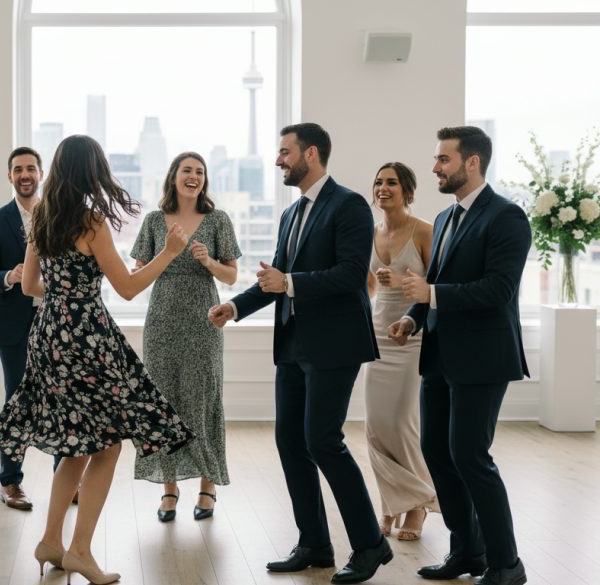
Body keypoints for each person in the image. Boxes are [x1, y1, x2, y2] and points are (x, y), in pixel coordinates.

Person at [0, 135, 195, 585]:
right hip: (86, 339)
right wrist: (169, 254)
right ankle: (78, 550)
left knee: (76, 447)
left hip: (47, 337)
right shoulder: (90, 222)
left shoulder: (40, 217)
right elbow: (128, 288)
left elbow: (29, 287)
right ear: (90, 171)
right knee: (108, 443)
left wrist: (63, 297)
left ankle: (51, 542)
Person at [209, 122, 391, 585]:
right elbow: (277, 277)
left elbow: (352, 275)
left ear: (311, 154)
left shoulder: (349, 205)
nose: (278, 161)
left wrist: (289, 283)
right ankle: (314, 542)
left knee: (323, 442)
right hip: (293, 344)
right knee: (290, 442)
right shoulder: (292, 214)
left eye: (284, 152)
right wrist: (235, 305)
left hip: (335, 345)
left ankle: (370, 545)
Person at [389, 126, 530, 585]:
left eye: (443, 160)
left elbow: (499, 289)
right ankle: (467, 551)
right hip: (440, 355)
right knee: (437, 452)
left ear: (473, 162)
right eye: (436, 159)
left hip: (484, 356)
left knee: (471, 455)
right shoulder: (447, 218)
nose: (434, 168)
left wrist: (430, 295)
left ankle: (506, 563)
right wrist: (412, 316)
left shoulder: (507, 217)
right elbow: (434, 284)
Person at [131, 152, 240, 522]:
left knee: (203, 398)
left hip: (204, 319)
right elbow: (138, 272)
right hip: (161, 320)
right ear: (173, 177)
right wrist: (167, 253)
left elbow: (231, 277)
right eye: (187, 171)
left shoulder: (218, 220)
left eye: (200, 172)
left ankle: (208, 486)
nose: (193, 176)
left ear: (204, 179)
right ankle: (169, 489)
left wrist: (208, 262)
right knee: (164, 402)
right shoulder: (152, 221)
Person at [0, 146, 62, 510]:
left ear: (41, 174)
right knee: (17, 402)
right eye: (17, 169)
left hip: (57, 323)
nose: (25, 174)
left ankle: (65, 480)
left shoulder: (61, 217)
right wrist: (9, 277)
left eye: (30, 168)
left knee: (62, 401)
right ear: (9, 176)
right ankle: (10, 483)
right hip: (13, 327)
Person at [363, 161, 438, 542]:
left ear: (407, 190)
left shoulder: (424, 231)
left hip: (412, 338)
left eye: (391, 182)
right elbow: (369, 291)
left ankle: (418, 504)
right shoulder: (371, 233)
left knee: (402, 423)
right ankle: (390, 503)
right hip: (377, 335)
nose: (383, 188)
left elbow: (437, 286)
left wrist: (407, 280)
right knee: (376, 427)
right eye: (378, 182)